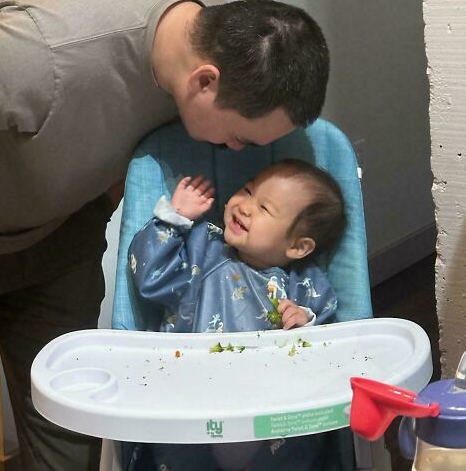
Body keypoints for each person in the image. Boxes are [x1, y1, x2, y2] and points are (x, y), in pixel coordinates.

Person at [0, 0, 329, 471]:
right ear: (204, 81)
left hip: (60, 239)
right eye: (240, 136)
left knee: (70, 438)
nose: (237, 151)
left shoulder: (232, 41)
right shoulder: (43, 50)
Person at [126, 158, 346, 471]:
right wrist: (174, 220)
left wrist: (304, 324)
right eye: (247, 190)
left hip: (270, 418)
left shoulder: (304, 286)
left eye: (265, 208)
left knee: (301, 443)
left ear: (298, 247)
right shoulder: (203, 250)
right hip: (191, 402)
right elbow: (150, 277)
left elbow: (332, 352)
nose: (245, 206)